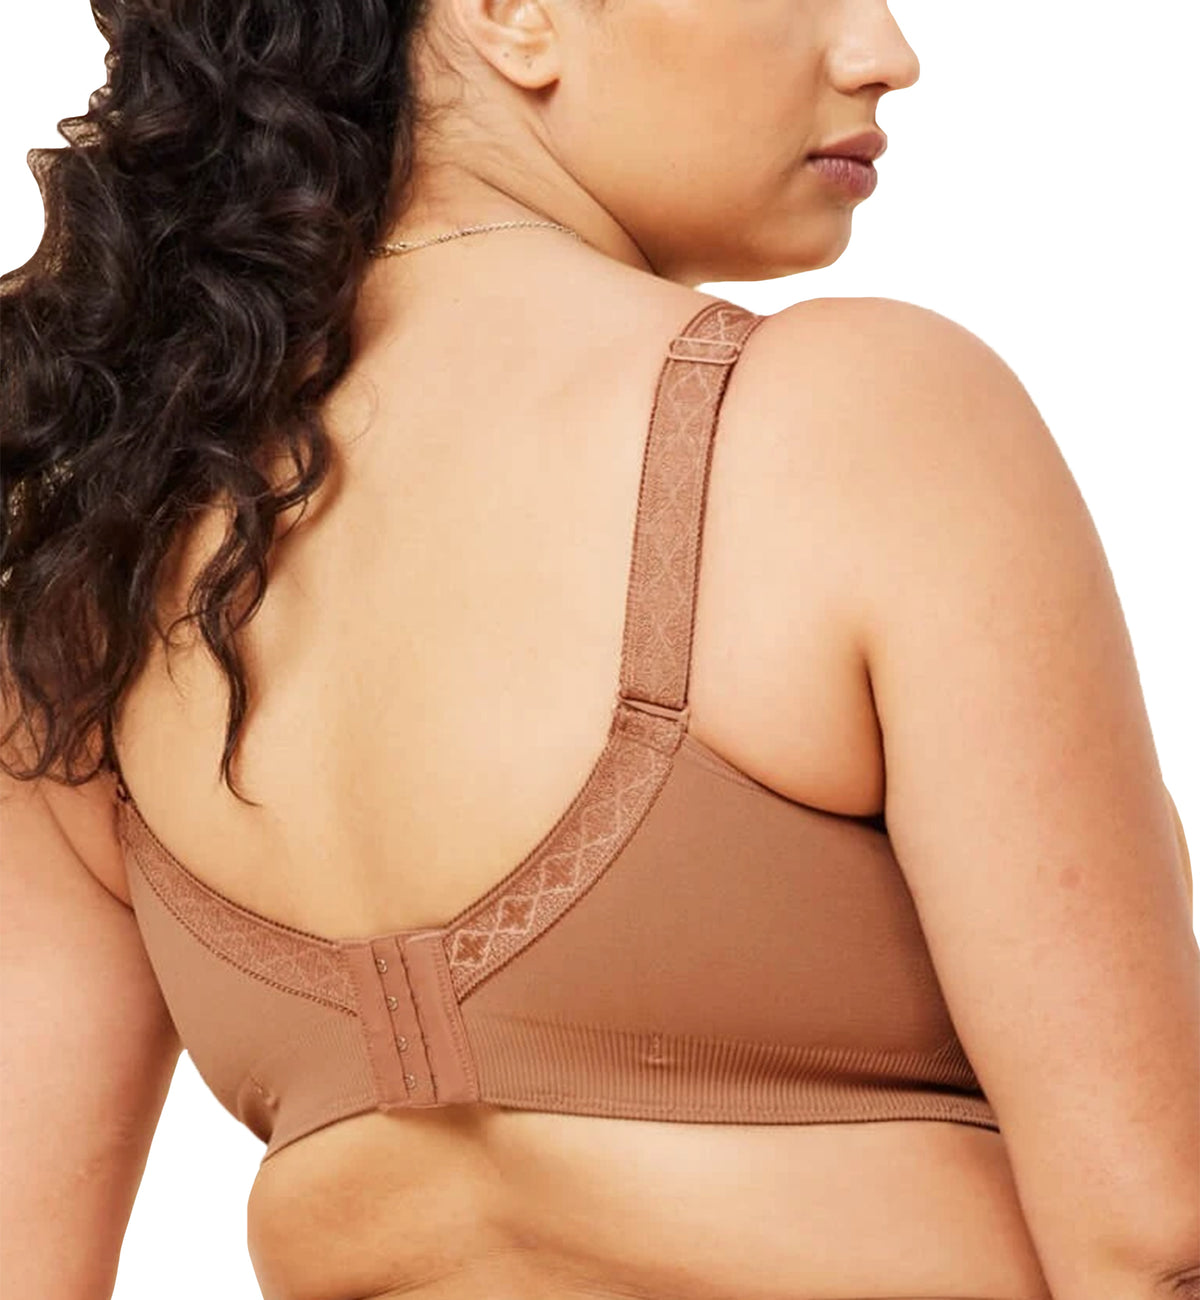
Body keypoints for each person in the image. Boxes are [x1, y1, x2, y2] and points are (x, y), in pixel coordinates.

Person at [1, 0, 1196, 1298]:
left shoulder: (91, 569)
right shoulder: (858, 425)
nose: (885, 55)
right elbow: (1154, 1245)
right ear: (512, 13)